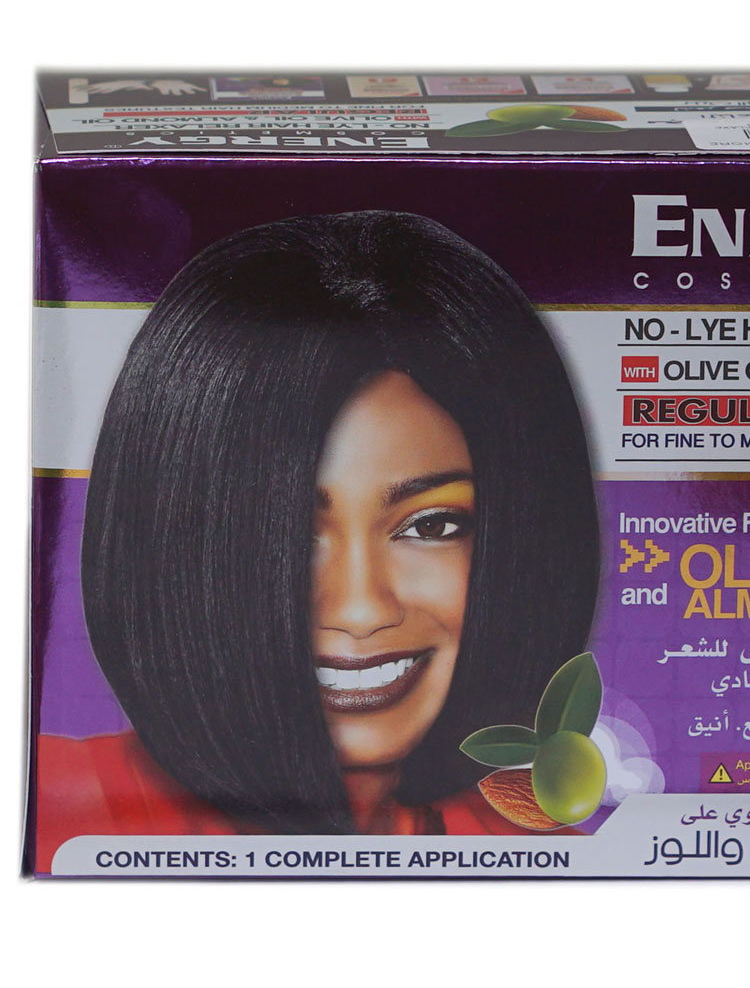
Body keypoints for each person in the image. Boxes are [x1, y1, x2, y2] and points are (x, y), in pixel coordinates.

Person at [34, 211, 600, 867]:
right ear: (167, 545)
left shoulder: (543, 861)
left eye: (431, 526)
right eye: (288, 530)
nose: (361, 609)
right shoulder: (58, 817)